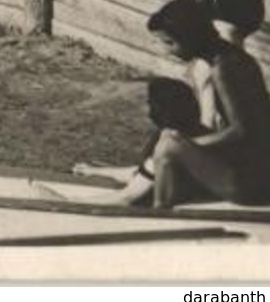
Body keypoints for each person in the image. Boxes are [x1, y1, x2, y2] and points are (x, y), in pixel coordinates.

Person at [145, 0, 270, 208]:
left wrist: (186, 146)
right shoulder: (226, 57)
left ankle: (160, 209)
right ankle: (160, 193)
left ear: (191, 37)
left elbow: (241, 131)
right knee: (169, 134)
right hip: (250, 171)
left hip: (253, 186)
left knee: (170, 145)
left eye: (170, 43)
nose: (167, 50)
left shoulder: (225, 68)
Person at [66, 78, 207, 206]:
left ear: (160, 110)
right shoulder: (199, 134)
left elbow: (126, 197)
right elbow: (143, 174)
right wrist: (96, 171)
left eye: (151, 103)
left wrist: (68, 202)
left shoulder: (171, 146)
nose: (147, 109)